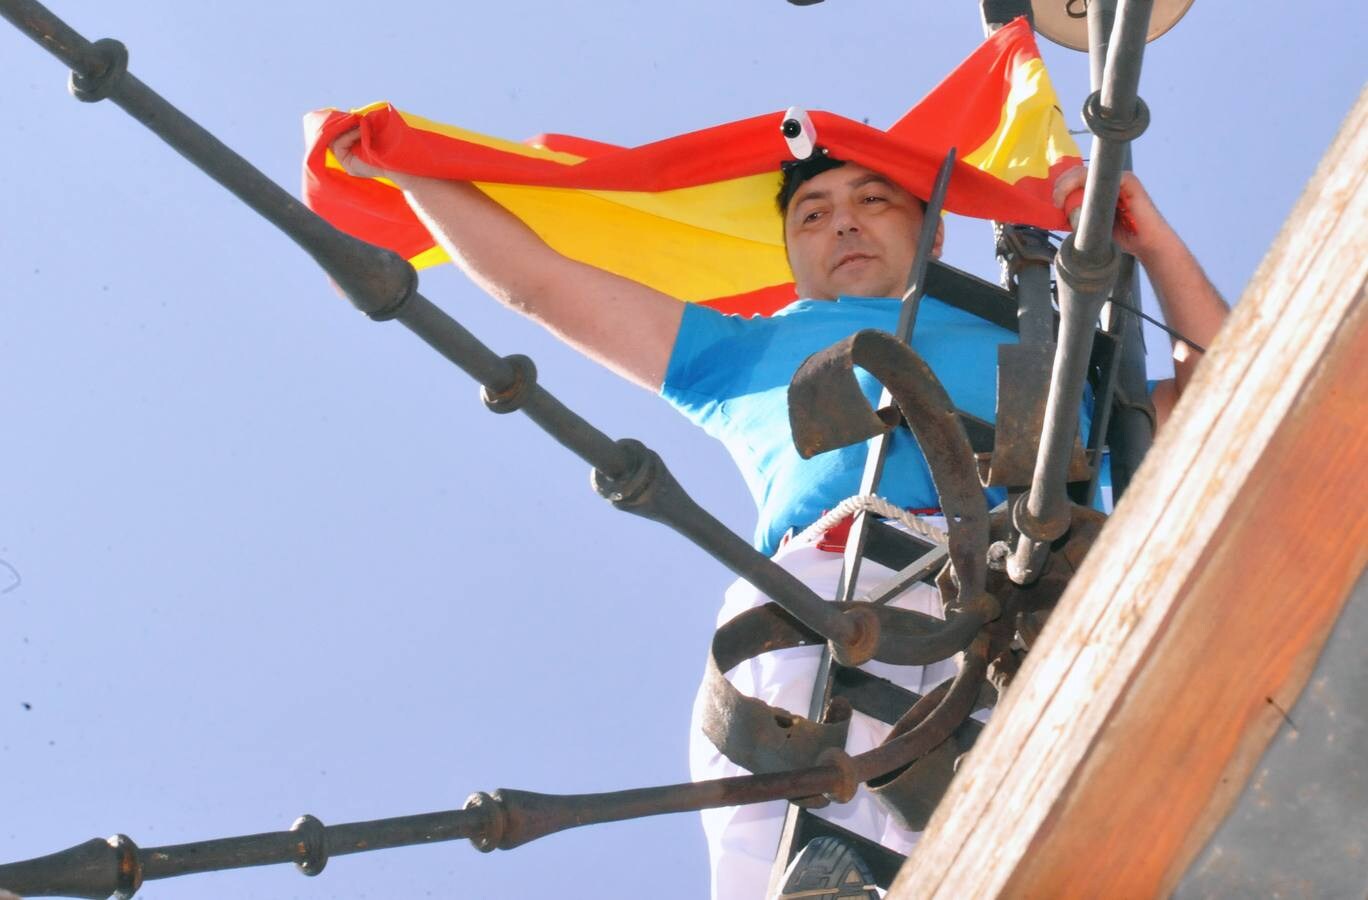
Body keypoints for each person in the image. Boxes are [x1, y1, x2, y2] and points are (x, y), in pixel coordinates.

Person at [329, 130, 1228, 898]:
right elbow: (541, 284)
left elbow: (1235, 386)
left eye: (874, 199)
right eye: (812, 213)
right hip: (820, 604)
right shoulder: (743, 353)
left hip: (1013, 607)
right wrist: (411, 173)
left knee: (1038, 840)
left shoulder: (1058, 351)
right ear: (790, 253)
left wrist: (1152, 247)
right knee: (806, 852)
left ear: (935, 227)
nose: (842, 221)